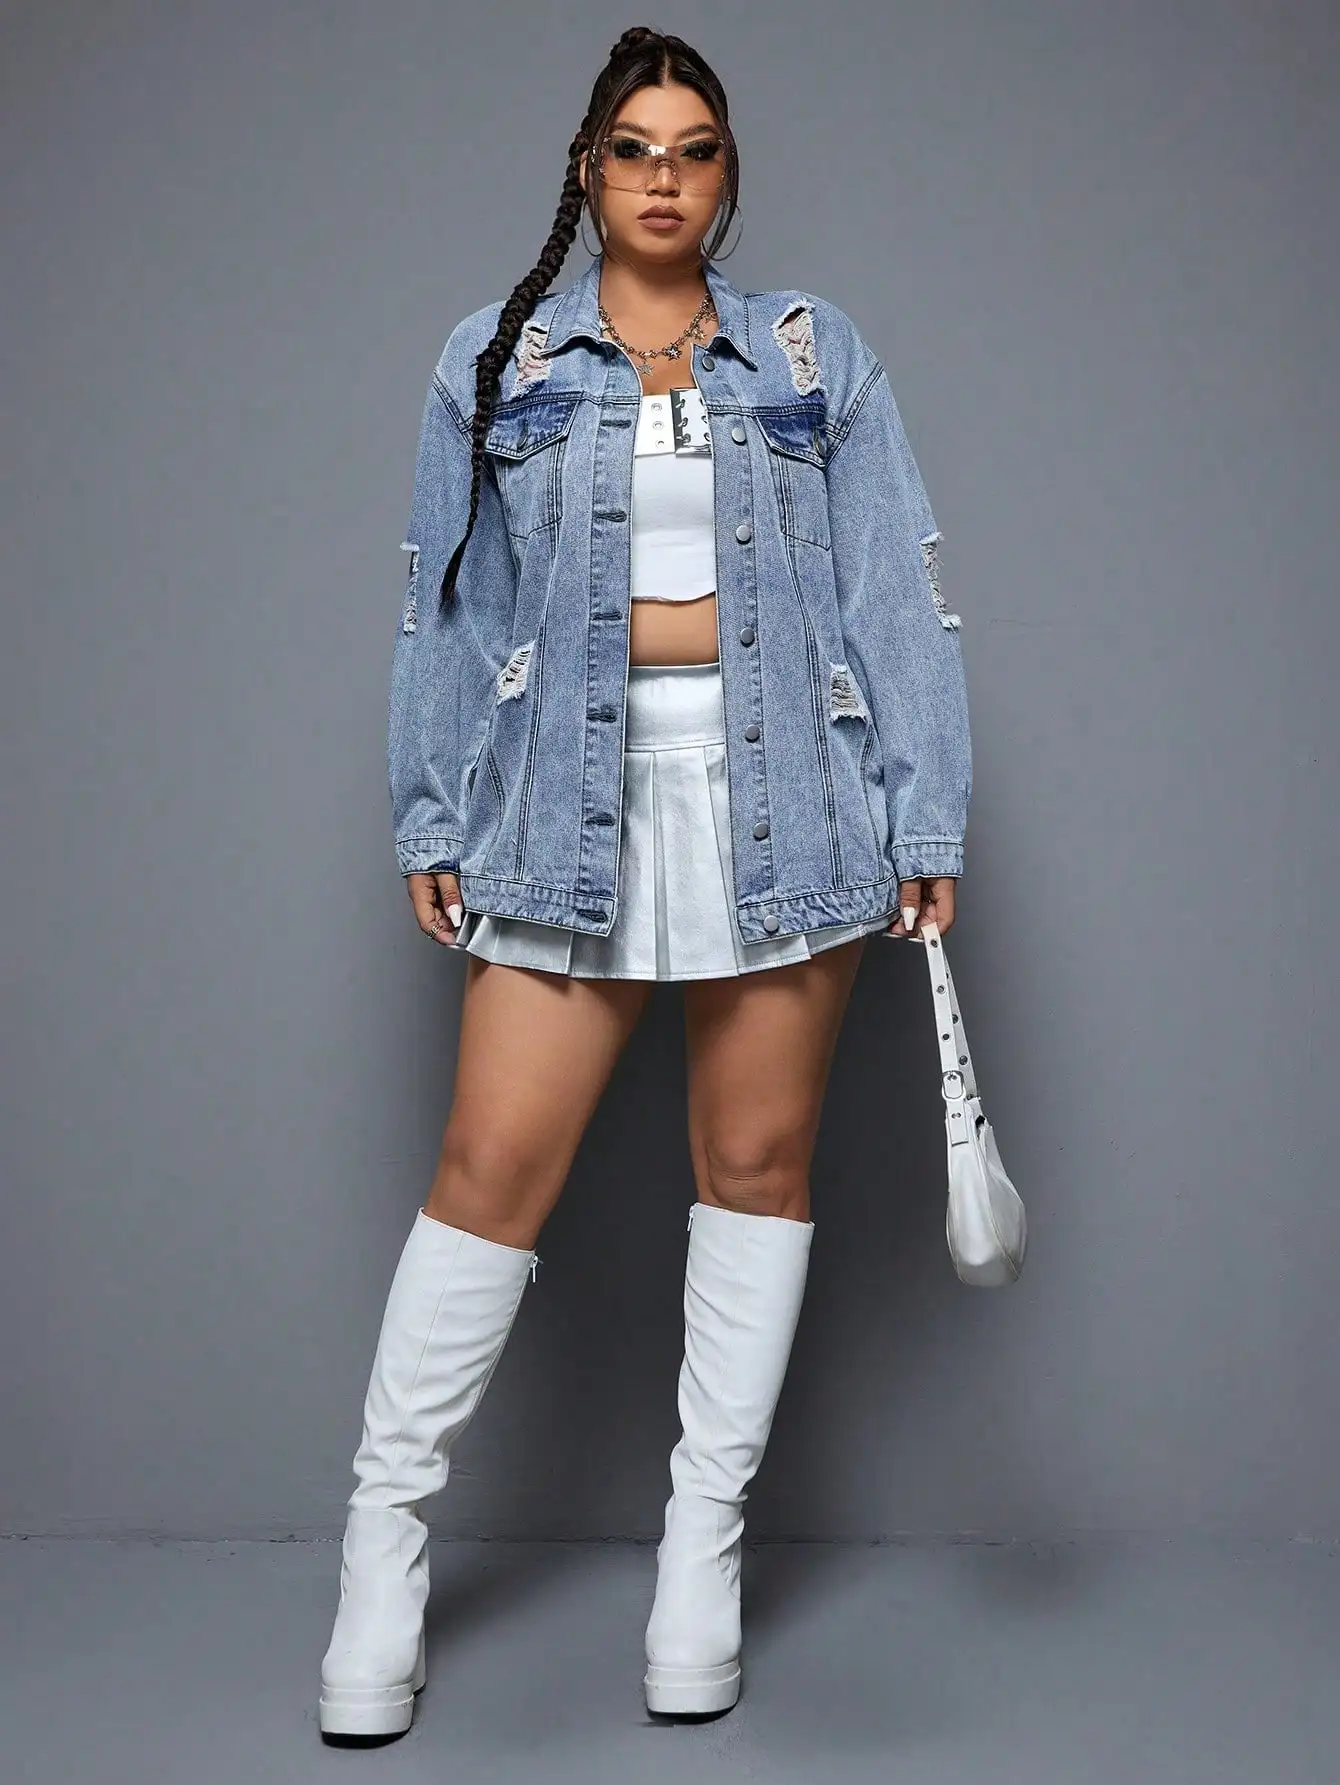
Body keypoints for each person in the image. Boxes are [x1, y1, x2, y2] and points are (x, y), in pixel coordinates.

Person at [318, 24, 972, 1738]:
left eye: (693, 149)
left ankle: (702, 1559)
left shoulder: (813, 354)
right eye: (632, 147)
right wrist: (429, 813)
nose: (663, 177)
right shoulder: (500, 356)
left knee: (754, 1170)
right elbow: (446, 601)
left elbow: (895, 591)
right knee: (488, 1173)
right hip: (561, 805)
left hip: (789, 806)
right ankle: (381, 1555)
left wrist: (927, 819)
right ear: (589, 170)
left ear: (725, 175)